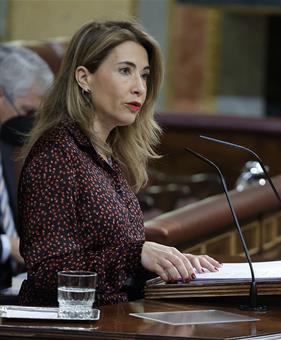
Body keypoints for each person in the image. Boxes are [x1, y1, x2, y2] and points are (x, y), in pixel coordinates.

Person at [18, 20, 221, 306]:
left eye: (145, 75)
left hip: (117, 319)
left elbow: (117, 261)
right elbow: (46, 274)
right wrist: (134, 256)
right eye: (125, 71)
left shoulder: (106, 153)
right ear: (84, 78)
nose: (140, 87)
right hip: (75, 328)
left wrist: (173, 265)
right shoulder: (56, 154)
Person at [0, 44, 53, 291]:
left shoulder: (5, 146)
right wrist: (6, 246)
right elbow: (11, 243)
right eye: (27, 111)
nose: (31, 124)